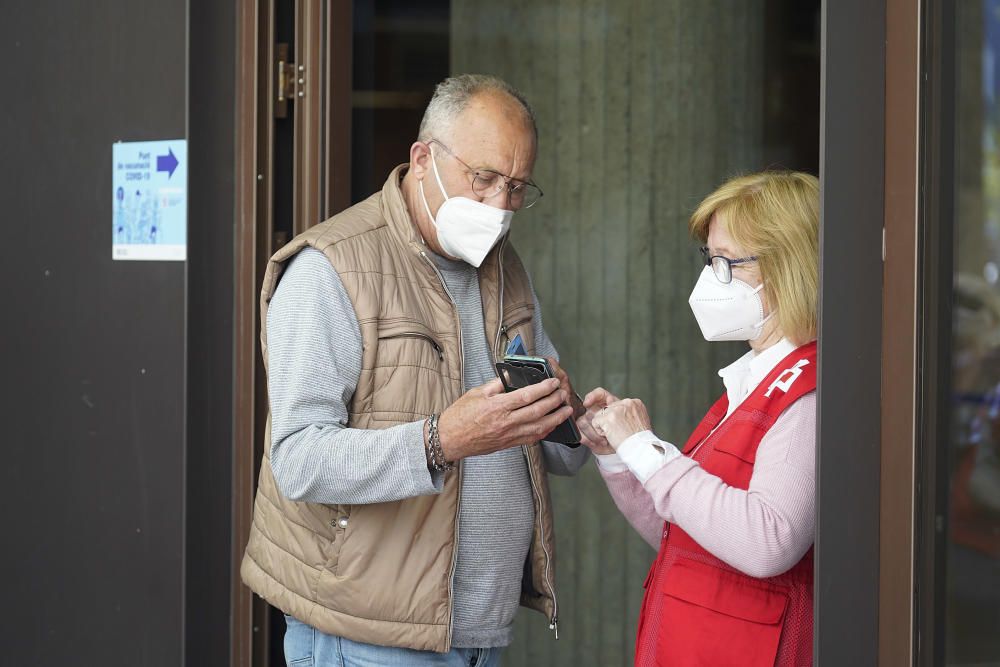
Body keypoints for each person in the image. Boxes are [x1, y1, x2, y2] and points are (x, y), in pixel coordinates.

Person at [240, 74, 589, 666]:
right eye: (483, 179)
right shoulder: (331, 268)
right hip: (368, 637)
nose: (500, 207)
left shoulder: (503, 268)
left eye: (517, 188)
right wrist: (442, 440)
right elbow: (296, 460)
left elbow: (550, 449)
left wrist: (573, 420)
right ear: (423, 158)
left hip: (479, 634)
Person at [578, 171, 819, 666]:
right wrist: (622, 457)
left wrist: (647, 448)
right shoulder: (750, 384)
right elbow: (690, 532)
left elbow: (768, 541)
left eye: (726, 263)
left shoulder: (806, 392)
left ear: (787, 267)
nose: (710, 279)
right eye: (708, 260)